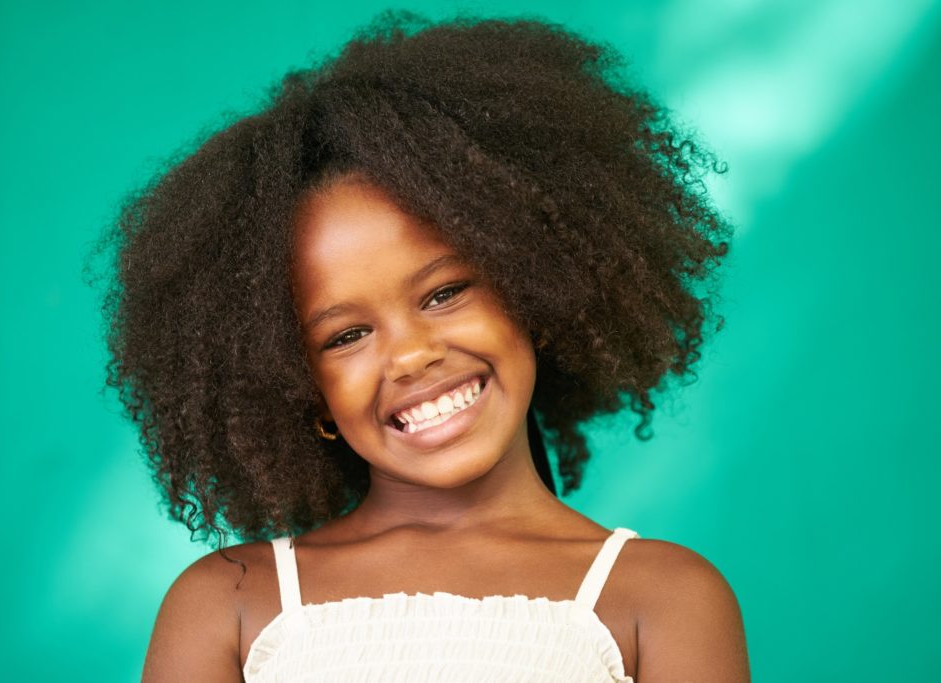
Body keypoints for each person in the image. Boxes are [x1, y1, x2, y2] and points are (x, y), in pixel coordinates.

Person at [101, 13, 749, 682]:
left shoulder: (664, 598)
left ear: (536, 288)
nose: (411, 355)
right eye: (346, 335)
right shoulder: (228, 606)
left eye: (443, 293)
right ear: (299, 384)